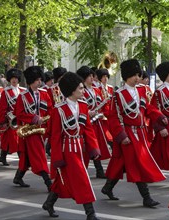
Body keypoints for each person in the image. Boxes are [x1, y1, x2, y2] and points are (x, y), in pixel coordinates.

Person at [101, 59, 167, 208]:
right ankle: (146, 197)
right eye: (135, 75)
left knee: (122, 163)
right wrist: (121, 135)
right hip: (128, 133)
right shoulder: (118, 94)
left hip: (141, 133)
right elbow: (114, 117)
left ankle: (108, 187)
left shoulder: (142, 91)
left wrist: (159, 116)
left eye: (138, 75)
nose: (138, 78)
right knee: (137, 164)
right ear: (128, 76)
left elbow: (148, 108)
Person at [42, 72, 101, 220]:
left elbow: (88, 129)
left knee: (64, 180)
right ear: (72, 90)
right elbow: (55, 136)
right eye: (80, 88)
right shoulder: (58, 109)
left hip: (81, 149)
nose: (83, 91)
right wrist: (57, 158)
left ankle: (49, 203)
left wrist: (93, 148)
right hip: (67, 150)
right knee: (82, 180)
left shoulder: (83, 105)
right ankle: (90, 214)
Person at [13, 66, 52, 191]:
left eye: (40, 79)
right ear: (31, 81)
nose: (39, 82)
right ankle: (48, 182)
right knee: (39, 155)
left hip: (41, 129)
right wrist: (34, 118)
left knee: (27, 157)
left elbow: (50, 109)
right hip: (29, 130)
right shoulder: (22, 96)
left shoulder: (45, 94)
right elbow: (19, 113)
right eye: (37, 80)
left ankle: (18, 177)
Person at [77, 66, 110, 178]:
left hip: (97, 123)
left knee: (96, 147)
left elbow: (102, 105)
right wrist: (87, 112)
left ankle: (99, 170)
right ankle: (84, 170)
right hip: (87, 122)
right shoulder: (82, 91)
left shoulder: (96, 90)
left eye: (92, 75)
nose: (92, 77)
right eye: (89, 76)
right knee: (88, 147)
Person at [0, 69, 25, 166]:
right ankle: (23, 161)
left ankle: (2, 156)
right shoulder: (6, 92)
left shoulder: (23, 90)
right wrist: (3, 120)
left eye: (16, 78)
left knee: (10, 140)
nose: (14, 80)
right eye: (12, 78)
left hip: (21, 119)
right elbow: (2, 107)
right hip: (10, 119)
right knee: (16, 140)